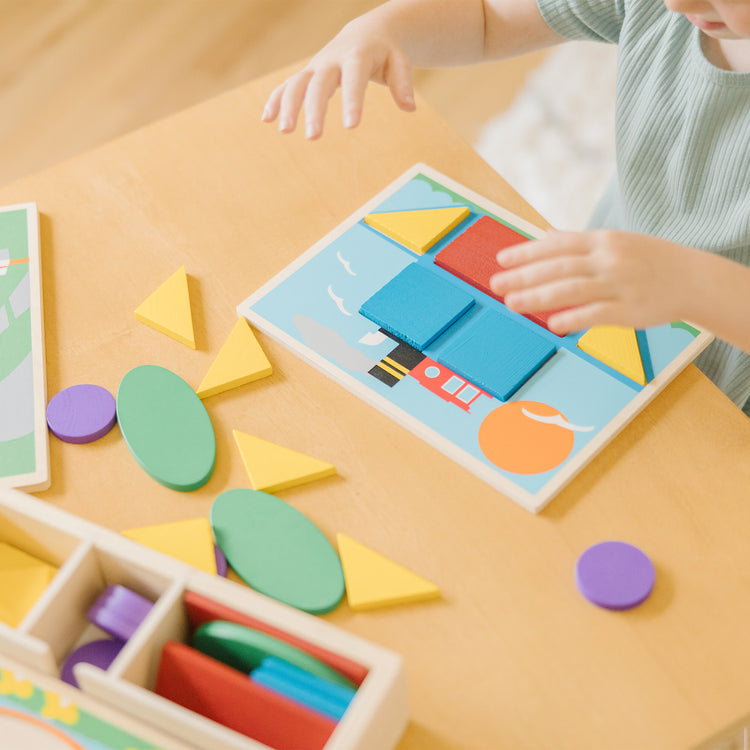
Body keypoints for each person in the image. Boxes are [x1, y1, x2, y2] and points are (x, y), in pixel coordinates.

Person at [262, 0, 750, 415]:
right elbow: (486, 16)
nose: (679, 4)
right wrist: (381, 28)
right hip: (611, 308)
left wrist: (690, 283)